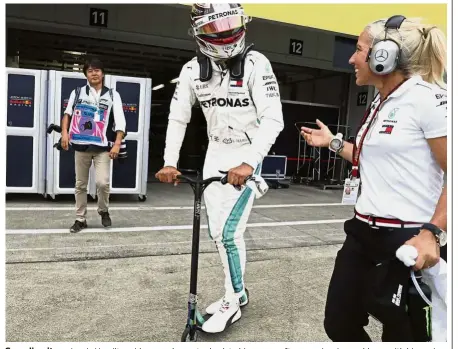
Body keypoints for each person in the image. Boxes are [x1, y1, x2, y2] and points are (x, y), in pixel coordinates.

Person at [301, 15, 447, 341]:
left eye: (359, 49)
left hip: (410, 240)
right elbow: (373, 157)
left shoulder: (427, 99)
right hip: (362, 234)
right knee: (339, 322)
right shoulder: (381, 102)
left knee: (403, 335)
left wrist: (432, 233)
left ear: (384, 56)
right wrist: (334, 143)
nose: (352, 58)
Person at [155, 3, 284, 333]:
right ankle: (237, 293)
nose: (225, 33)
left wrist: (249, 162)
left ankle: (232, 299)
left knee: (229, 234)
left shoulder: (257, 64)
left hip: (247, 157)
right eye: (215, 27)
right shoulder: (189, 71)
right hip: (216, 155)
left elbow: (273, 119)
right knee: (216, 235)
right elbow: (178, 117)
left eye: (231, 24)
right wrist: (170, 161)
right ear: (199, 32)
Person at [61, 58, 127, 233]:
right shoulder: (77, 92)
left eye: (97, 70)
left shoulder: (113, 95)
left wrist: (117, 144)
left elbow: (121, 122)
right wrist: (64, 133)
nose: (94, 73)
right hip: (81, 147)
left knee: (103, 183)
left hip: (103, 148)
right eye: (90, 70)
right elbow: (67, 114)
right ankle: (80, 218)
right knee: (80, 184)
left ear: (103, 73)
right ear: (86, 74)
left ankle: (103, 210)